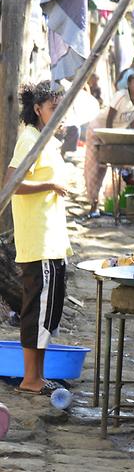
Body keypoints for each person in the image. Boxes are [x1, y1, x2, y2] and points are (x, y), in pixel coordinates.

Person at [2, 81, 72, 395]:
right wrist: (49, 187)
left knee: (48, 312)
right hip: (39, 241)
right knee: (38, 311)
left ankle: (38, 377)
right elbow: (12, 183)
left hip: (52, 240)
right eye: (53, 108)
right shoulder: (29, 138)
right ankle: (31, 379)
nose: (58, 114)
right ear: (38, 109)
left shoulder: (46, 140)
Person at [83, 71, 134, 217]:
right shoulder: (120, 96)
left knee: (125, 168)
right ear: (128, 84)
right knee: (96, 169)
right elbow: (109, 120)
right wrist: (109, 141)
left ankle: (115, 203)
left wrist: (132, 140)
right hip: (98, 131)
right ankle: (93, 205)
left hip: (116, 135)